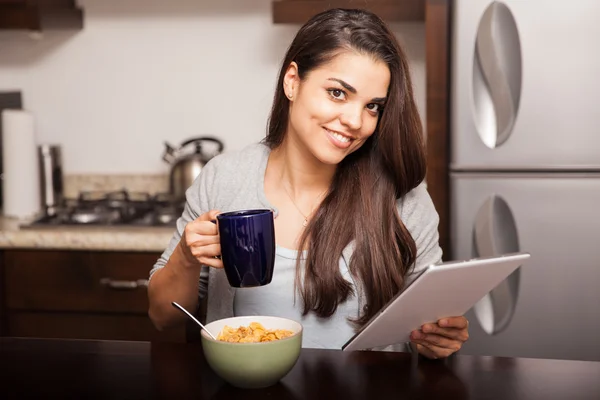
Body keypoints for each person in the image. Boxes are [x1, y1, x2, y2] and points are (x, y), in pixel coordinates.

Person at [148, 8, 469, 359]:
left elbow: (429, 323)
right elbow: (162, 315)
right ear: (292, 81)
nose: (355, 121)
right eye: (337, 93)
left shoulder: (402, 194)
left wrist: (435, 339)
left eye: (373, 106)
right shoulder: (224, 177)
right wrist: (186, 257)